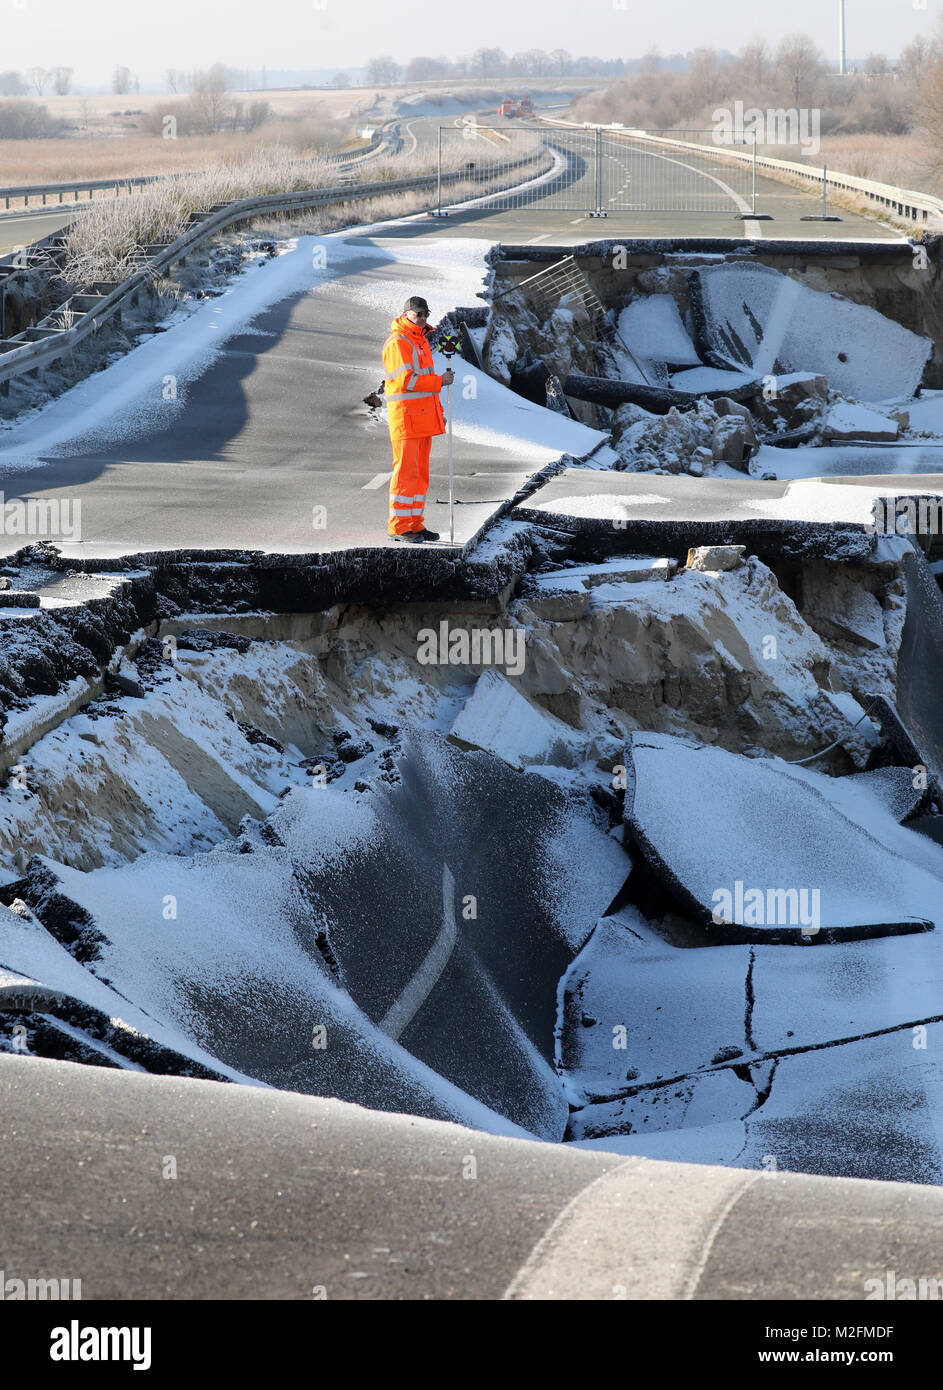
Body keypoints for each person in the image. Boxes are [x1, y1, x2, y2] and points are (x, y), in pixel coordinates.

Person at [381, 296, 454, 543]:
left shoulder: (419, 340)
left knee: (420, 475)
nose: (422, 318)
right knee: (405, 474)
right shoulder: (398, 342)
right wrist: (439, 381)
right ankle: (399, 527)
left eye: (425, 314)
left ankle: (415, 524)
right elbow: (408, 381)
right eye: (417, 313)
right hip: (406, 419)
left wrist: (438, 412)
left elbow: (423, 386)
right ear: (406, 314)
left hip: (421, 419)